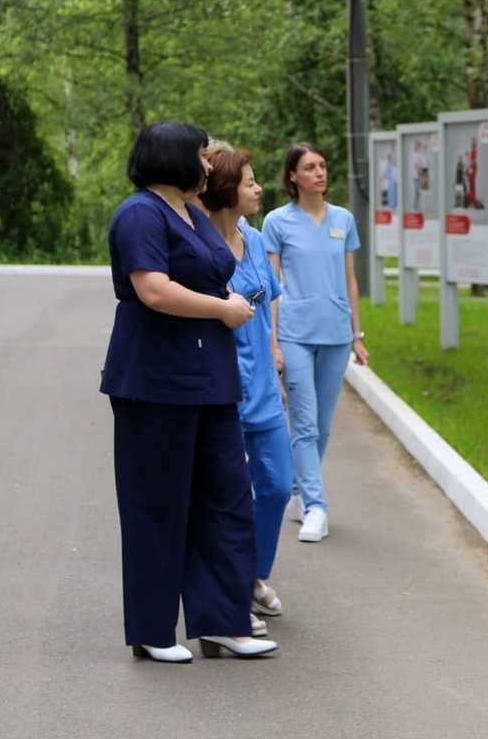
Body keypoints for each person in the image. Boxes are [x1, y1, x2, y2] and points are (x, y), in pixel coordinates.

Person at [100, 121, 277, 662]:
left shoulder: (190, 212)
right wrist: (223, 309)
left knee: (226, 499)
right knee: (158, 506)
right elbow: (152, 289)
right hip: (156, 382)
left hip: (210, 380)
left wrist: (228, 299)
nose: (208, 165)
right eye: (202, 156)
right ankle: (153, 630)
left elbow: (204, 275)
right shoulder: (139, 214)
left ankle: (224, 621)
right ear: (175, 157)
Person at [201, 145, 294, 638]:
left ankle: (254, 572)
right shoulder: (198, 246)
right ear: (226, 190)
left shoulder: (255, 241)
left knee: (278, 485)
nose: (258, 189)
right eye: (250, 182)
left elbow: (270, 299)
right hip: (221, 392)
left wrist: (276, 355)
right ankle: (235, 592)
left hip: (262, 388)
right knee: (230, 497)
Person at [262, 143, 369, 543]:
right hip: (294, 333)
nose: (320, 173)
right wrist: (272, 343)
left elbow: (351, 279)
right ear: (293, 176)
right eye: (310, 167)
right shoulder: (277, 222)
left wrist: (357, 336)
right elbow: (271, 286)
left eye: (323, 166)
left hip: (336, 334)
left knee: (322, 427)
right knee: (303, 423)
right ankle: (317, 507)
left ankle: (296, 493)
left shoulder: (343, 219)